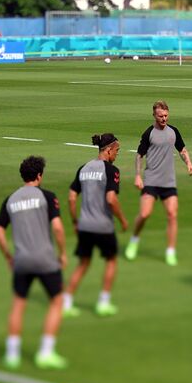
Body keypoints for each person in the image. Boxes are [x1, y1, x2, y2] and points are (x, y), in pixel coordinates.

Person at [0, 155, 68, 370]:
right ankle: (45, 352)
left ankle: (12, 354)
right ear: (39, 175)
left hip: (22, 261)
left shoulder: (11, 199)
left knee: (18, 304)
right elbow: (57, 228)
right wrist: (62, 253)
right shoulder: (47, 196)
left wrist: (9, 257)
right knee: (57, 301)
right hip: (45, 259)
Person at [63, 132, 129, 317]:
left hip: (84, 225)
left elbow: (71, 197)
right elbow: (111, 199)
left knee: (83, 264)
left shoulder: (83, 168)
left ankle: (66, 302)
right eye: (117, 151)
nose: (117, 154)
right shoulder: (111, 170)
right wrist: (123, 220)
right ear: (108, 150)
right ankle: (103, 302)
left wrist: (75, 220)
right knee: (111, 260)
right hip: (103, 226)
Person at [125, 100, 192, 265]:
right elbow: (139, 155)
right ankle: (134, 240)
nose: (164, 119)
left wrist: (189, 163)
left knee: (172, 215)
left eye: (166, 116)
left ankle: (170, 251)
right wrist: (137, 175)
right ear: (154, 116)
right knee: (144, 214)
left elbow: (182, 150)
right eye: (160, 116)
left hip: (169, 181)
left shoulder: (174, 132)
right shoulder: (148, 133)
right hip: (151, 180)